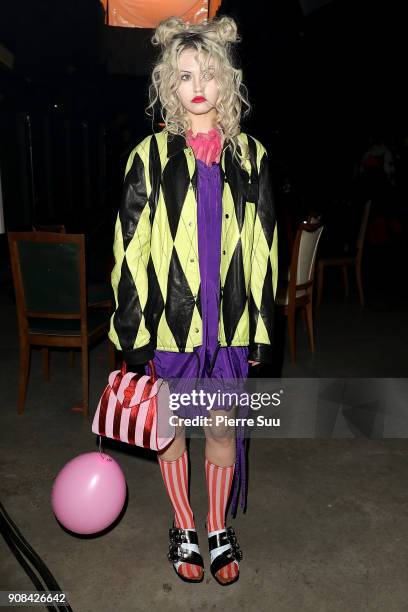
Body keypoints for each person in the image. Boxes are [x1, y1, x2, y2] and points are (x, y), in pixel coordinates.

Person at [108, 15, 278, 586]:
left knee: (223, 428)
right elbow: (127, 251)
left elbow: (263, 248)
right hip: (170, 327)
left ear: (228, 80)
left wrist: (261, 328)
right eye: (184, 74)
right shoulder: (147, 158)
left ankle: (217, 529)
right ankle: (183, 523)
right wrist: (132, 335)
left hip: (228, 327)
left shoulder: (251, 156)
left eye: (208, 71)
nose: (197, 83)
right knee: (173, 429)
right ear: (168, 85)